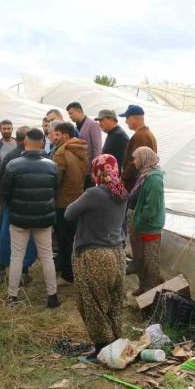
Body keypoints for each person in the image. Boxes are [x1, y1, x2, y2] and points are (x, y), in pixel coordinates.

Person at [64, 154, 128, 362]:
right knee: (114, 301)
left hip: (95, 255)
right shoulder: (121, 192)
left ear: (96, 173)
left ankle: (102, 350)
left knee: (93, 303)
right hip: (117, 254)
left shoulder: (93, 194)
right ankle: (116, 342)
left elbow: (69, 213)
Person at [1, 128, 60, 308]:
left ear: (25, 142)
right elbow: (54, 191)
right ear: (42, 144)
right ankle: (52, 296)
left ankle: (13, 296)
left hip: (19, 219)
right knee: (47, 256)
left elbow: (5, 192)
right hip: (43, 218)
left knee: (17, 256)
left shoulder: (13, 165)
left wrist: (14, 207)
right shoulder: (51, 166)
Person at [0, 126, 38, 284]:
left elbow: (0, 180)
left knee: (6, 237)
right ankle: (25, 271)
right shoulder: (40, 157)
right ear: (27, 140)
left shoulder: (10, 156)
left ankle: (2, 268)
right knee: (29, 238)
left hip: (11, 205)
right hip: (32, 206)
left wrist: (5, 200)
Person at [51, 122, 88, 283]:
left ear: (65, 135)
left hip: (63, 203)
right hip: (78, 200)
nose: (54, 138)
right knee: (74, 238)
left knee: (64, 239)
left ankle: (67, 274)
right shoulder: (81, 149)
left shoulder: (61, 153)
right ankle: (76, 270)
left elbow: (55, 180)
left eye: (57, 135)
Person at [128, 146, 166, 296]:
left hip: (149, 226)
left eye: (136, 158)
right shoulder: (144, 175)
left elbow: (151, 207)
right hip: (141, 224)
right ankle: (143, 288)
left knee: (151, 262)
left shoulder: (154, 179)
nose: (134, 162)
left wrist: (139, 220)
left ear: (144, 158)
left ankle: (152, 295)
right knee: (141, 259)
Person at [119, 105, 158, 192]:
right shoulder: (146, 134)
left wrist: (123, 178)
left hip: (135, 184)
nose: (125, 121)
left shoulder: (141, 136)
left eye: (127, 118)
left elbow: (135, 162)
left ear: (134, 118)